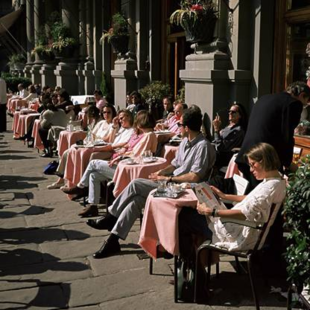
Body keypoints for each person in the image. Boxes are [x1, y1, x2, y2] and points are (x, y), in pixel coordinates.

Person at [86, 108, 216, 259]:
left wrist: (168, 179)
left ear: (186, 128)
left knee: (136, 184)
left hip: (186, 190)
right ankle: (113, 240)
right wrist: (161, 172)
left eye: (179, 124)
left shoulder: (203, 146)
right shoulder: (185, 142)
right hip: (172, 185)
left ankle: (111, 216)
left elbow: (194, 177)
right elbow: (174, 164)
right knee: (136, 201)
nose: (177, 127)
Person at [177, 143, 286, 296]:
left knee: (183, 219)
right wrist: (224, 196)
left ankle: (196, 279)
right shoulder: (276, 180)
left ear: (264, 161)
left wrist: (212, 211)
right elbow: (251, 199)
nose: (251, 170)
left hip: (239, 233)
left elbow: (244, 213)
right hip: (245, 229)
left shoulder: (270, 187)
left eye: (253, 165)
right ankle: (196, 270)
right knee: (189, 217)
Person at [63, 111, 158, 217]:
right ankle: (92, 206)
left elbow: (137, 154)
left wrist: (120, 156)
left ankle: (81, 187)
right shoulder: (143, 134)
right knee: (94, 175)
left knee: (93, 163)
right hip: (123, 163)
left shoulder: (148, 135)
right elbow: (127, 147)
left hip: (127, 168)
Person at [235, 81, 310, 189]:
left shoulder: (264, 98)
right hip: (264, 160)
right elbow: (287, 136)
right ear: (302, 95)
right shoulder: (293, 103)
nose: (304, 106)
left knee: (253, 197)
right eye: (305, 103)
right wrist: (288, 163)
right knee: (267, 198)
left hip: (247, 154)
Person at [47, 104, 117, 190]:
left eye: (109, 112)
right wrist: (95, 138)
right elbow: (91, 134)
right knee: (68, 152)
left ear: (113, 113)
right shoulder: (101, 123)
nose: (106, 114)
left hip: (100, 148)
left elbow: (109, 140)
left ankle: (79, 185)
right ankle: (61, 179)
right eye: (104, 112)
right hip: (93, 144)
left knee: (79, 154)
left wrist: (97, 137)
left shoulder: (113, 125)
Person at [212, 103, 248, 167]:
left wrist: (216, 129)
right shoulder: (228, 127)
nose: (230, 113)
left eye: (233, 112)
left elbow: (221, 147)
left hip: (222, 160)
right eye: (229, 111)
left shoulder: (238, 130)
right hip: (214, 155)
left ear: (240, 115)